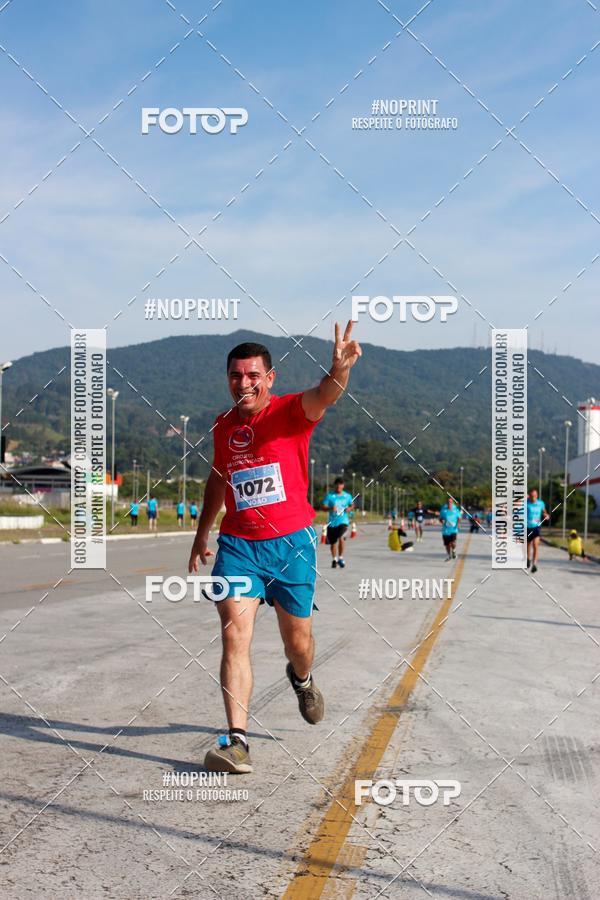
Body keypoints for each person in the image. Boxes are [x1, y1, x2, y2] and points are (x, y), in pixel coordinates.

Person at [188, 322, 361, 774]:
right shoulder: (223, 425)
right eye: (235, 375)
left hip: (291, 546)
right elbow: (218, 479)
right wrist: (202, 533)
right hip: (239, 545)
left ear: (270, 378)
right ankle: (237, 742)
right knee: (234, 635)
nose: (243, 383)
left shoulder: (291, 412)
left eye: (252, 375)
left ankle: (302, 678)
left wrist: (340, 369)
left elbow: (326, 393)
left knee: (297, 643)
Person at [322, 477, 354, 568]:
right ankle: (334, 559)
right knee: (333, 543)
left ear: (343, 486)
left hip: (343, 521)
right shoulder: (330, 496)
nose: (339, 487)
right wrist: (330, 508)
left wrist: (349, 508)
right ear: (335, 485)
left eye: (340, 485)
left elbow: (352, 505)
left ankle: (340, 557)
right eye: (337, 485)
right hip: (332, 523)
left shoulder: (347, 496)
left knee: (341, 537)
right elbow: (323, 507)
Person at [526, 488, 546, 573]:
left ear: (537, 495)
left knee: (535, 545)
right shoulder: (526, 503)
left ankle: (534, 564)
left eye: (535, 495)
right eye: (532, 496)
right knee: (528, 545)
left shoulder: (541, 503)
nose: (533, 497)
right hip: (527, 527)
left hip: (537, 527)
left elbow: (544, 511)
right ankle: (528, 559)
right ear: (529, 496)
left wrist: (545, 515)